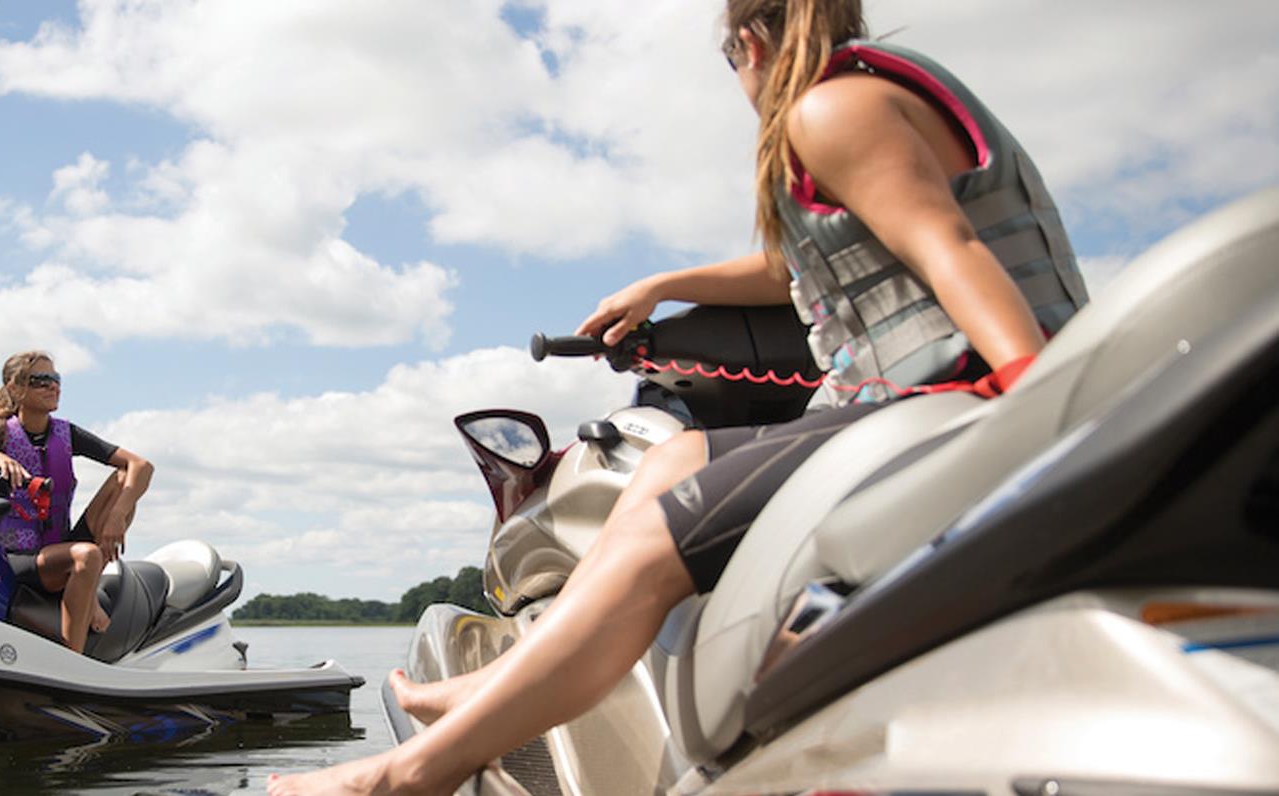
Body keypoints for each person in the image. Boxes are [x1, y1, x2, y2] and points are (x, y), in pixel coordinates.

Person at [269, 0, 1085, 793]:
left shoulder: (831, 109)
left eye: (729, 61)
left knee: (648, 548)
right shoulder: (870, 95)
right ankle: (504, 686)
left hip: (949, 398)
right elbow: (800, 268)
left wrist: (1036, 403)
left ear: (750, 44)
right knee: (672, 461)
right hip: (920, 400)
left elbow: (950, 247)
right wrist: (662, 286)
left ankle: (412, 773)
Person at [0, 350, 154, 654]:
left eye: (56, 379)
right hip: (18, 557)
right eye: (41, 380)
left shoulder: (67, 434)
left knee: (123, 481)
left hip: (60, 545)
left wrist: (118, 515)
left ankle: (87, 590)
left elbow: (141, 465)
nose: (53, 386)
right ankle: (71, 661)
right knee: (86, 554)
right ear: (16, 388)